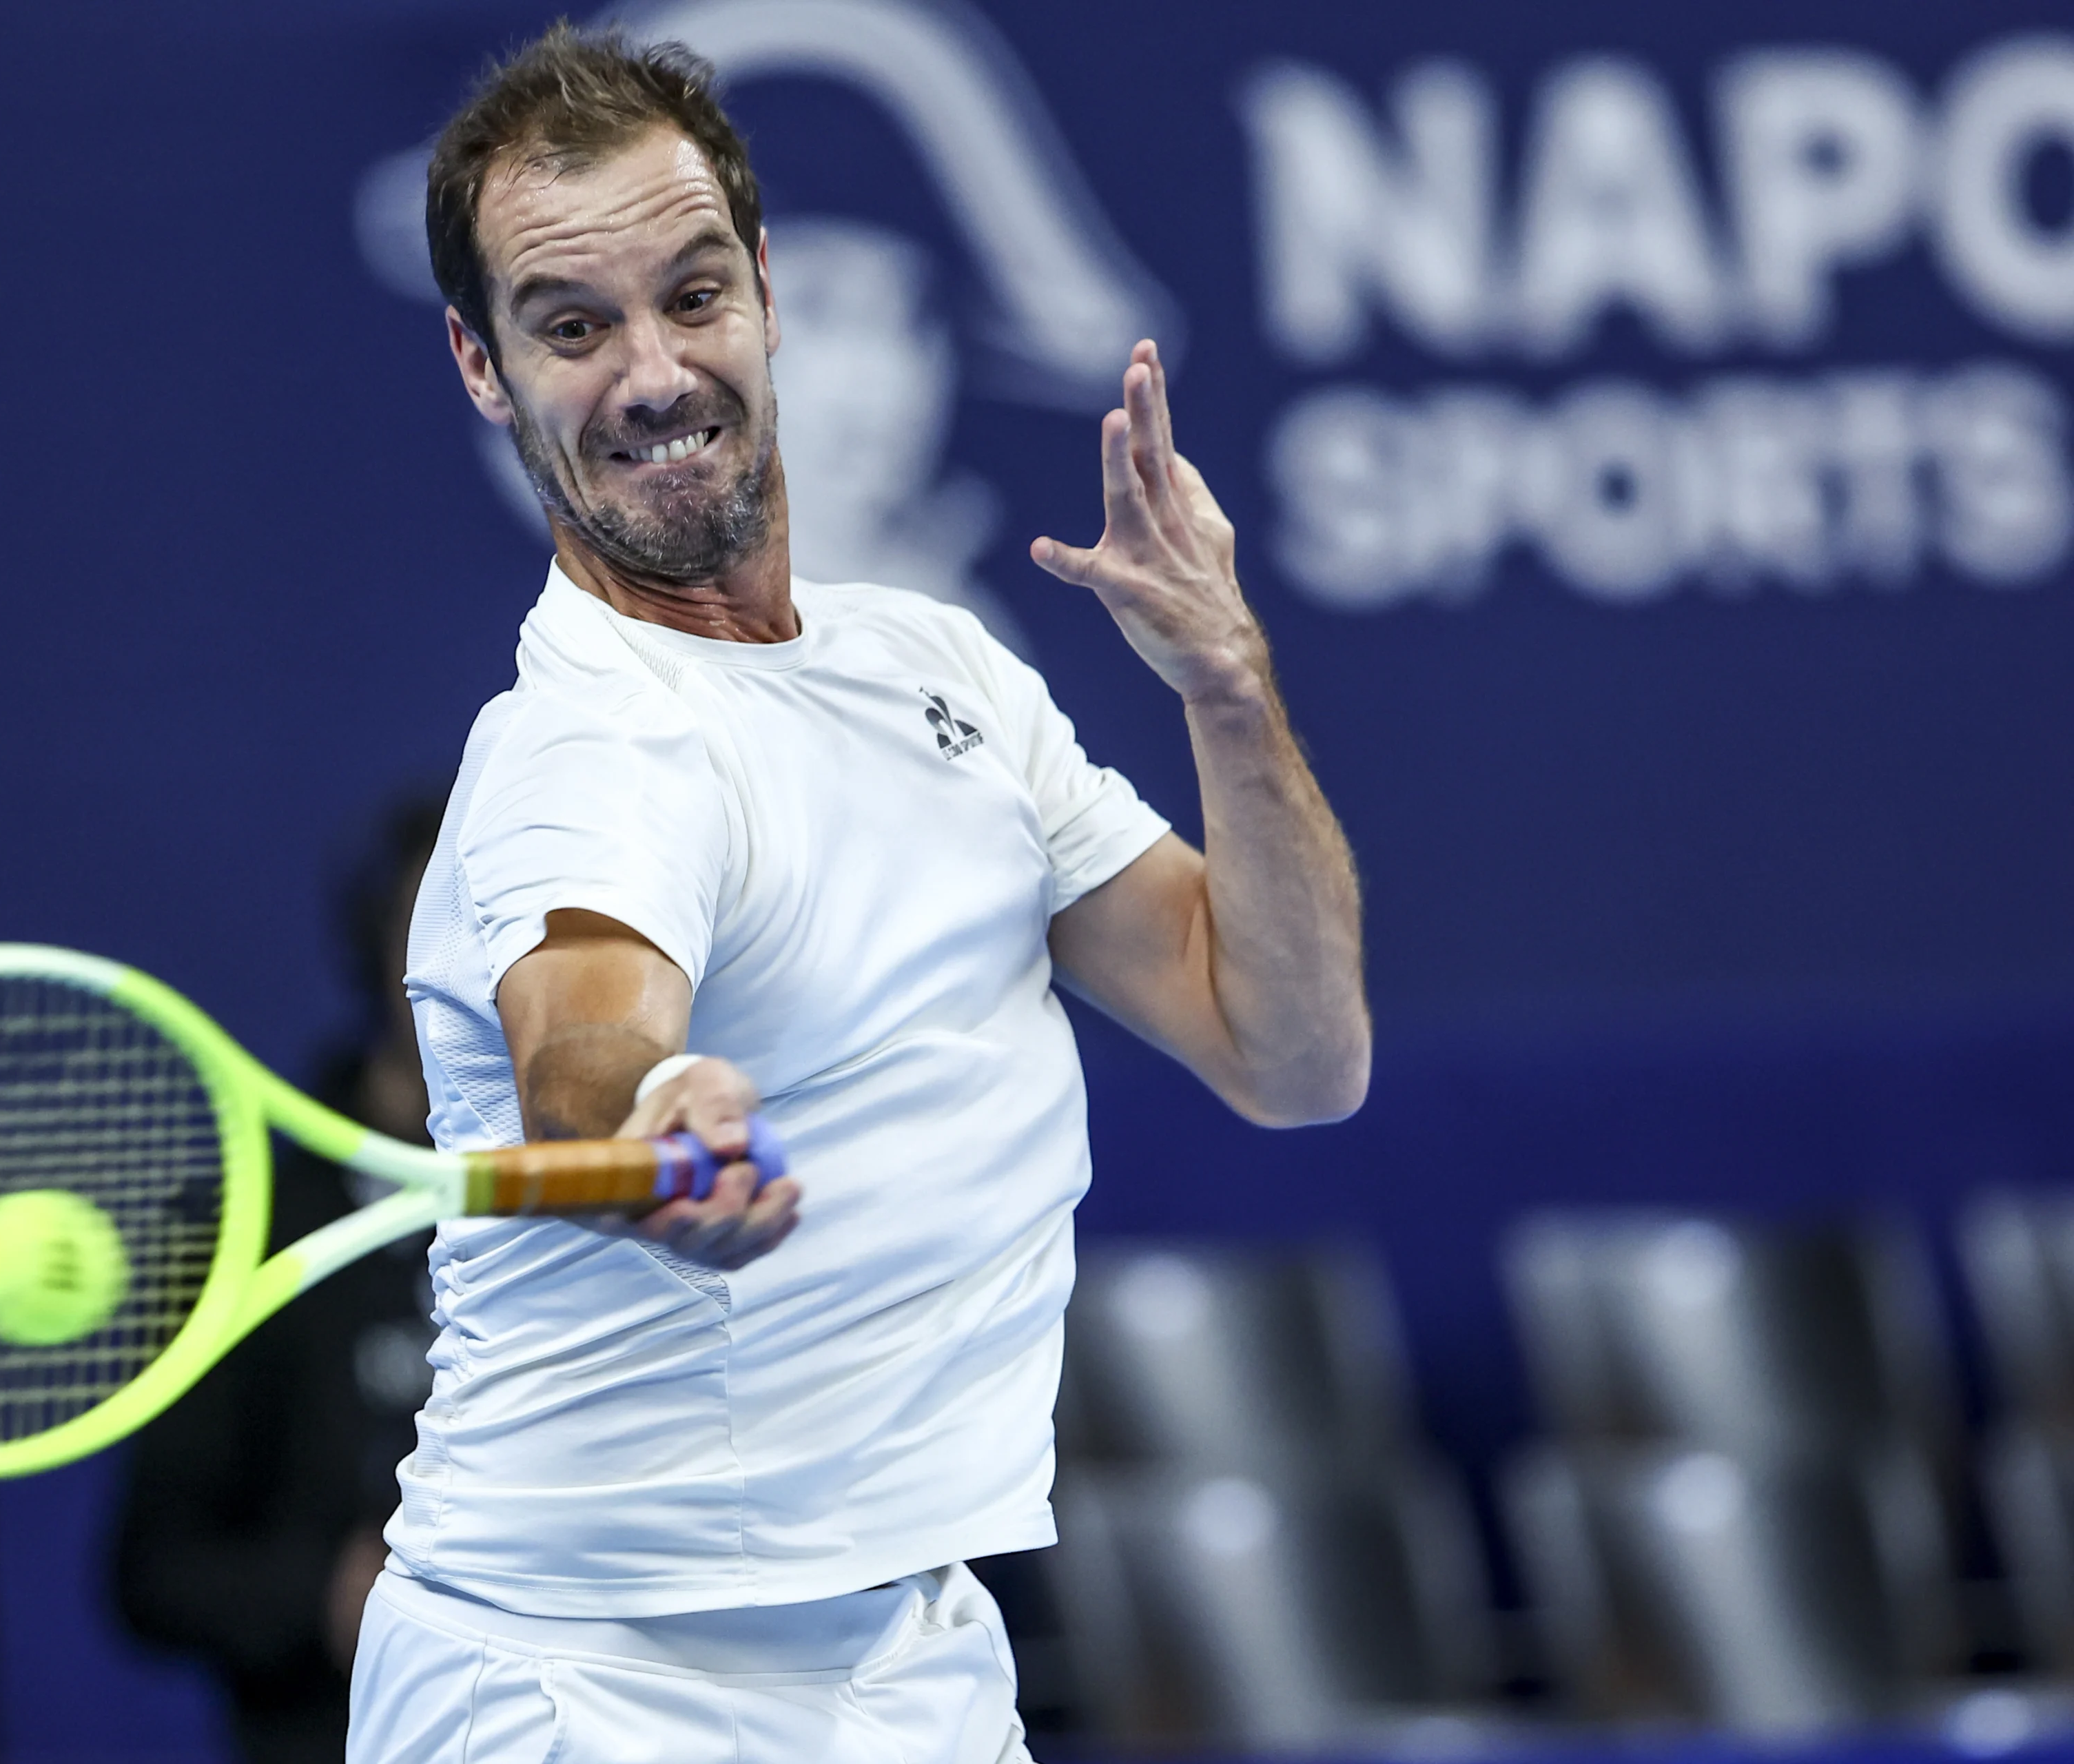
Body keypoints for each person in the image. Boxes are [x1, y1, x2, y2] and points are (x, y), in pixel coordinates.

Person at [358, 24, 1369, 1763]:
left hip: (905, 1658)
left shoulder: (938, 668)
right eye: (572, 325)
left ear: (766, 287)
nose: (655, 372)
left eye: (692, 296)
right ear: (481, 362)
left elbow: (1293, 1051)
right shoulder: (584, 744)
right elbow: (584, 1035)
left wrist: (1228, 687)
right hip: (582, 1689)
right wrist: (658, 1111)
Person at [112, 794, 448, 1764]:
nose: (473, 964)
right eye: (436, 923)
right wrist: (327, 1594)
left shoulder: (607, 1216)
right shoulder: (243, 1229)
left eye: (511, 927)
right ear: (375, 948)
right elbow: (156, 1571)